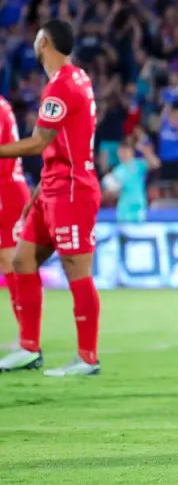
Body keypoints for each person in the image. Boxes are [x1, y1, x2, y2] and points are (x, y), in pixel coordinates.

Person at [0, 19, 103, 376]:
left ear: (43, 41)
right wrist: (42, 187)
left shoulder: (60, 87)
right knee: (22, 260)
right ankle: (29, 349)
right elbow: (63, 141)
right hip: (54, 186)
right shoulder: (78, 78)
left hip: (72, 190)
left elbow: (38, 142)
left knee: (76, 268)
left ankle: (88, 357)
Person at [0, 95, 31, 347]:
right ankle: (24, 333)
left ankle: (27, 334)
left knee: (12, 260)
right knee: (7, 262)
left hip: (6, 191)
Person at [104, 137, 161, 223]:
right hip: (124, 208)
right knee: (124, 234)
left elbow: (156, 164)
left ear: (131, 152)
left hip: (138, 206)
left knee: (138, 234)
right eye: (120, 151)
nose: (123, 154)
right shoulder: (117, 170)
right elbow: (114, 191)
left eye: (125, 151)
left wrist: (144, 150)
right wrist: (112, 191)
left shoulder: (139, 165)